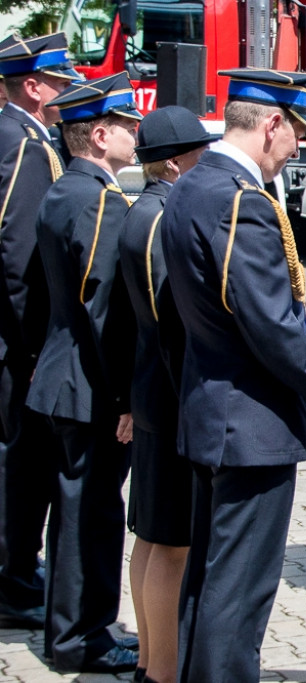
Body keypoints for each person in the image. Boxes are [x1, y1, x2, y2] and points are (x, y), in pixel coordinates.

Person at [161, 68, 306, 682]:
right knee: (238, 594)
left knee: (210, 581)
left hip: (212, 413)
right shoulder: (241, 201)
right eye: (294, 138)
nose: (292, 151)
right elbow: (273, 330)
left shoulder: (190, 185)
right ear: (271, 124)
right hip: (251, 424)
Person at [25, 71, 141, 674]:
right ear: (99, 135)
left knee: (73, 513)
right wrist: (126, 395)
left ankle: (69, 630)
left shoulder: (64, 189)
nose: (134, 133)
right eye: (126, 125)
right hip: (90, 387)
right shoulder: (98, 200)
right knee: (90, 519)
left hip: (64, 377)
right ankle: (84, 639)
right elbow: (105, 313)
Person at [118, 106, 217, 683]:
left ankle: (149, 656)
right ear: (179, 163)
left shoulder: (142, 211)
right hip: (173, 396)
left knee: (152, 536)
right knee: (172, 544)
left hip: (152, 393)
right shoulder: (163, 220)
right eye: (200, 156)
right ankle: (163, 669)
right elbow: (170, 324)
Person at [0, 32, 78, 629]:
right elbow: (17, 256)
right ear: (33, 86)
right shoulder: (23, 144)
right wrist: (32, 346)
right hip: (14, 340)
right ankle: (14, 583)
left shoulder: (21, 134)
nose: (66, 88)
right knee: (19, 465)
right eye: (59, 81)